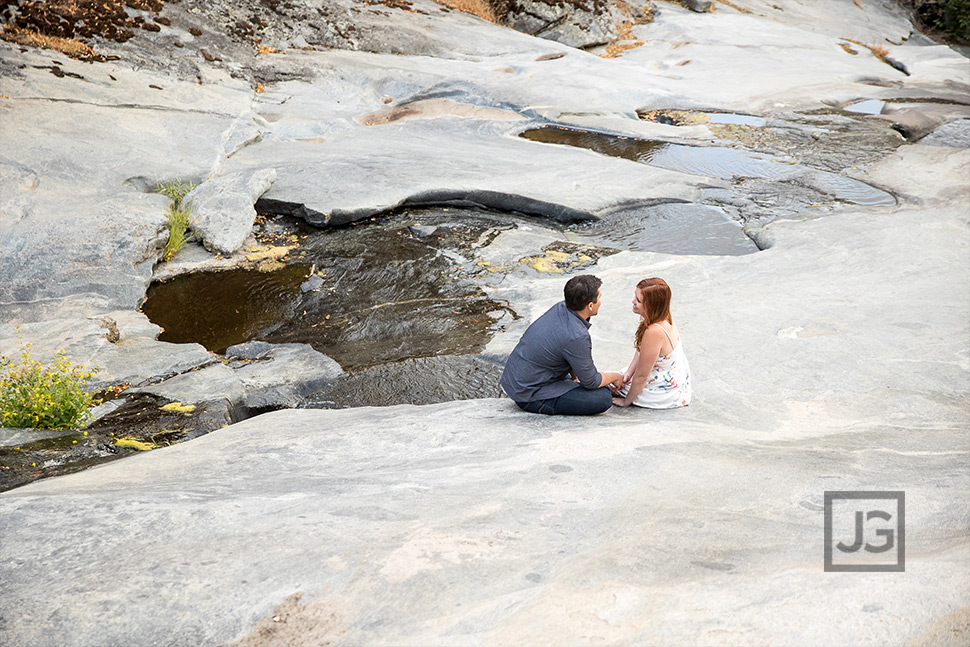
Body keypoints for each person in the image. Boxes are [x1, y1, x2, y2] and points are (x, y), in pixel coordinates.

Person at [500, 274, 624, 415]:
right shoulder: (577, 335)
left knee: (595, 382)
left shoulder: (561, 307)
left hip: (518, 381)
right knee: (603, 397)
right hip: (529, 395)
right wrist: (615, 376)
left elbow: (567, 352)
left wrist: (576, 376)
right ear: (590, 306)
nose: (601, 302)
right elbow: (591, 382)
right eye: (599, 298)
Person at [611, 277, 692, 409]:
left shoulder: (653, 332)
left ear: (651, 305)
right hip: (673, 376)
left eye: (638, 300)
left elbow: (642, 376)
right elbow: (641, 350)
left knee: (607, 384)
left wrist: (626, 401)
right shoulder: (662, 315)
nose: (633, 301)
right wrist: (628, 372)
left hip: (661, 390)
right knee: (618, 377)